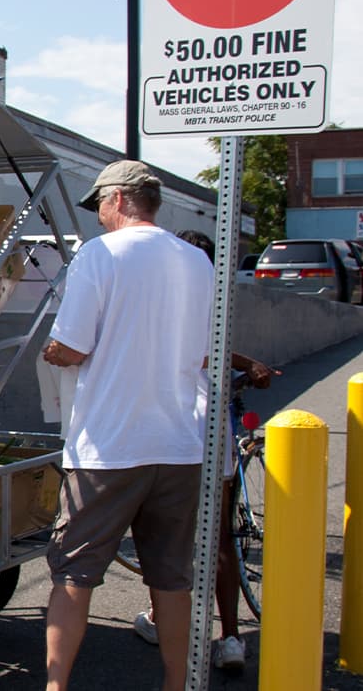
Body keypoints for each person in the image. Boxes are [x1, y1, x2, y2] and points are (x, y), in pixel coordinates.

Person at [40, 160, 214, 691]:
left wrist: (50, 351)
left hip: (109, 447)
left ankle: (55, 687)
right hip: (179, 443)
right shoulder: (198, 261)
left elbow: (71, 346)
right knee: (171, 576)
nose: (98, 219)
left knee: (73, 572)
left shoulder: (100, 255)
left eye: (100, 208)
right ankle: (175, 684)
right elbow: (205, 353)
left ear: (117, 200)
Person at [131, 229, 277, 673]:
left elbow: (194, 353)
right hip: (210, 433)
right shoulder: (210, 294)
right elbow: (206, 352)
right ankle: (229, 638)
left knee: (162, 537)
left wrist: (242, 362)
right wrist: (248, 364)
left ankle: (165, 623)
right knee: (220, 539)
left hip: (170, 434)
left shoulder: (158, 294)